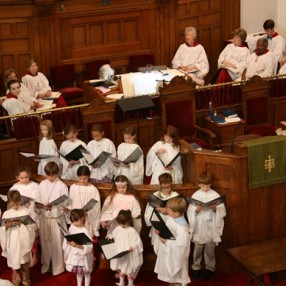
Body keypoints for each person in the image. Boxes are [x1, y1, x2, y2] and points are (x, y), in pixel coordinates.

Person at [187, 172, 226, 280]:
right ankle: (196, 268)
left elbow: (222, 211)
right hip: (199, 227)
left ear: (211, 184)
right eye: (203, 185)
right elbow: (189, 211)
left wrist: (215, 209)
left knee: (210, 250)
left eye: (208, 185)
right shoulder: (195, 195)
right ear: (199, 184)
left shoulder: (215, 195)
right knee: (197, 250)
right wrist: (196, 210)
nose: (205, 188)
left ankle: (210, 268)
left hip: (210, 227)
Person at [35, 161, 68, 275]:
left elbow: (65, 203)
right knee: (45, 243)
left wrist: (54, 207)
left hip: (56, 219)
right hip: (45, 218)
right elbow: (37, 198)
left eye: (53, 175)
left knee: (57, 243)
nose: (50, 177)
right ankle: (47, 264)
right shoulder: (42, 184)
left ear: (57, 173)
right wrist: (39, 205)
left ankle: (58, 267)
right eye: (48, 175)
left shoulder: (62, 186)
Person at [0, 190, 36, 286]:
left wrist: (21, 224)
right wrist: (7, 226)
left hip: (23, 242)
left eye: (17, 204)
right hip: (12, 242)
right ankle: (16, 281)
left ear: (20, 201)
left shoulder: (25, 211)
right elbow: (2, 229)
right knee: (15, 266)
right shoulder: (6, 214)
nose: (15, 207)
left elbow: (31, 227)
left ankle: (26, 281)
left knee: (24, 266)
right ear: (9, 203)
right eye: (12, 205)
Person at [154, 196, 191, 286]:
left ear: (176, 213)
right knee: (171, 275)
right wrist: (160, 231)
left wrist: (167, 242)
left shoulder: (182, 227)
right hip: (169, 250)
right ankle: (173, 282)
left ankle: (178, 282)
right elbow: (168, 229)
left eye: (169, 210)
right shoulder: (172, 217)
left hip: (177, 254)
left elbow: (182, 244)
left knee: (178, 273)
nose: (167, 211)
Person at [9, 166, 39, 265]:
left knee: (32, 234)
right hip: (20, 212)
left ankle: (35, 253)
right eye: (22, 178)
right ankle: (25, 253)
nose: (24, 179)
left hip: (32, 212)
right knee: (23, 235)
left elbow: (38, 198)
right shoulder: (14, 187)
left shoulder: (34, 185)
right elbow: (12, 201)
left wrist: (31, 203)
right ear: (17, 177)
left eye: (26, 177)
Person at [106, 210, 143, 286]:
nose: (122, 225)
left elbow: (138, 242)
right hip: (120, 253)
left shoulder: (132, 231)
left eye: (124, 223)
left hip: (128, 254)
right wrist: (109, 236)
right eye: (120, 223)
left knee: (128, 271)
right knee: (121, 269)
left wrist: (133, 247)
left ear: (129, 221)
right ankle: (121, 282)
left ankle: (130, 283)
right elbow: (113, 235)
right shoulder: (117, 229)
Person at [144, 173, 180, 245]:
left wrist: (167, 212)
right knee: (158, 247)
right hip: (158, 225)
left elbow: (179, 211)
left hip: (172, 225)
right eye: (164, 186)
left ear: (171, 184)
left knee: (170, 246)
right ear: (160, 185)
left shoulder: (175, 195)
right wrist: (157, 211)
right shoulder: (155, 195)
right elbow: (148, 213)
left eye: (168, 186)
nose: (166, 189)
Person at [68, 166, 101, 238]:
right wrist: (68, 208)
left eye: (85, 179)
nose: (82, 181)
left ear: (89, 177)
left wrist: (88, 213)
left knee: (86, 241)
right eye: (80, 178)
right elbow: (70, 203)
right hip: (75, 219)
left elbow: (96, 207)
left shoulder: (93, 190)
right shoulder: (73, 187)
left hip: (86, 219)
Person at [63, 209, 93, 286]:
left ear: (82, 218)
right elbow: (68, 237)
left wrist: (76, 245)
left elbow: (89, 246)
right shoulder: (72, 227)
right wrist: (67, 241)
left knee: (86, 273)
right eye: (73, 221)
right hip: (75, 256)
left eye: (76, 221)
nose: (74, 223)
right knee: (78, 273)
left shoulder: (85, 230)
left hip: (83, 257)